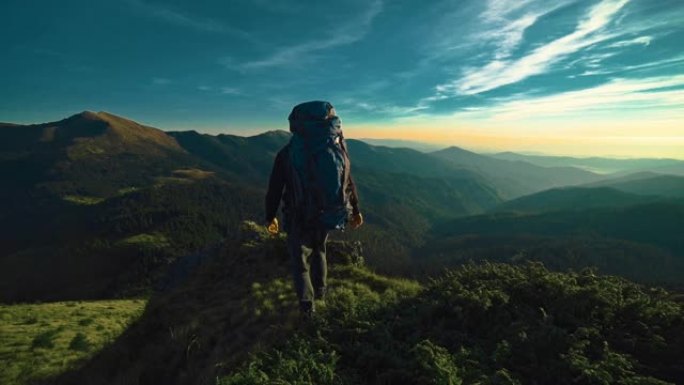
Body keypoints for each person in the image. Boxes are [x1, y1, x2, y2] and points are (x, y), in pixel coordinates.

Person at [265, 101, 363, 317]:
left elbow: (275, 188)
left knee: (300, 260)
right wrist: (355, 209)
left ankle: (307, 308)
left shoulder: (288, 153)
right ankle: (321, 291)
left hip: (298, 214)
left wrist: (270, 215)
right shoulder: (337, 146)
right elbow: (347, 179)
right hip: (329, 212)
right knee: (319, 250)